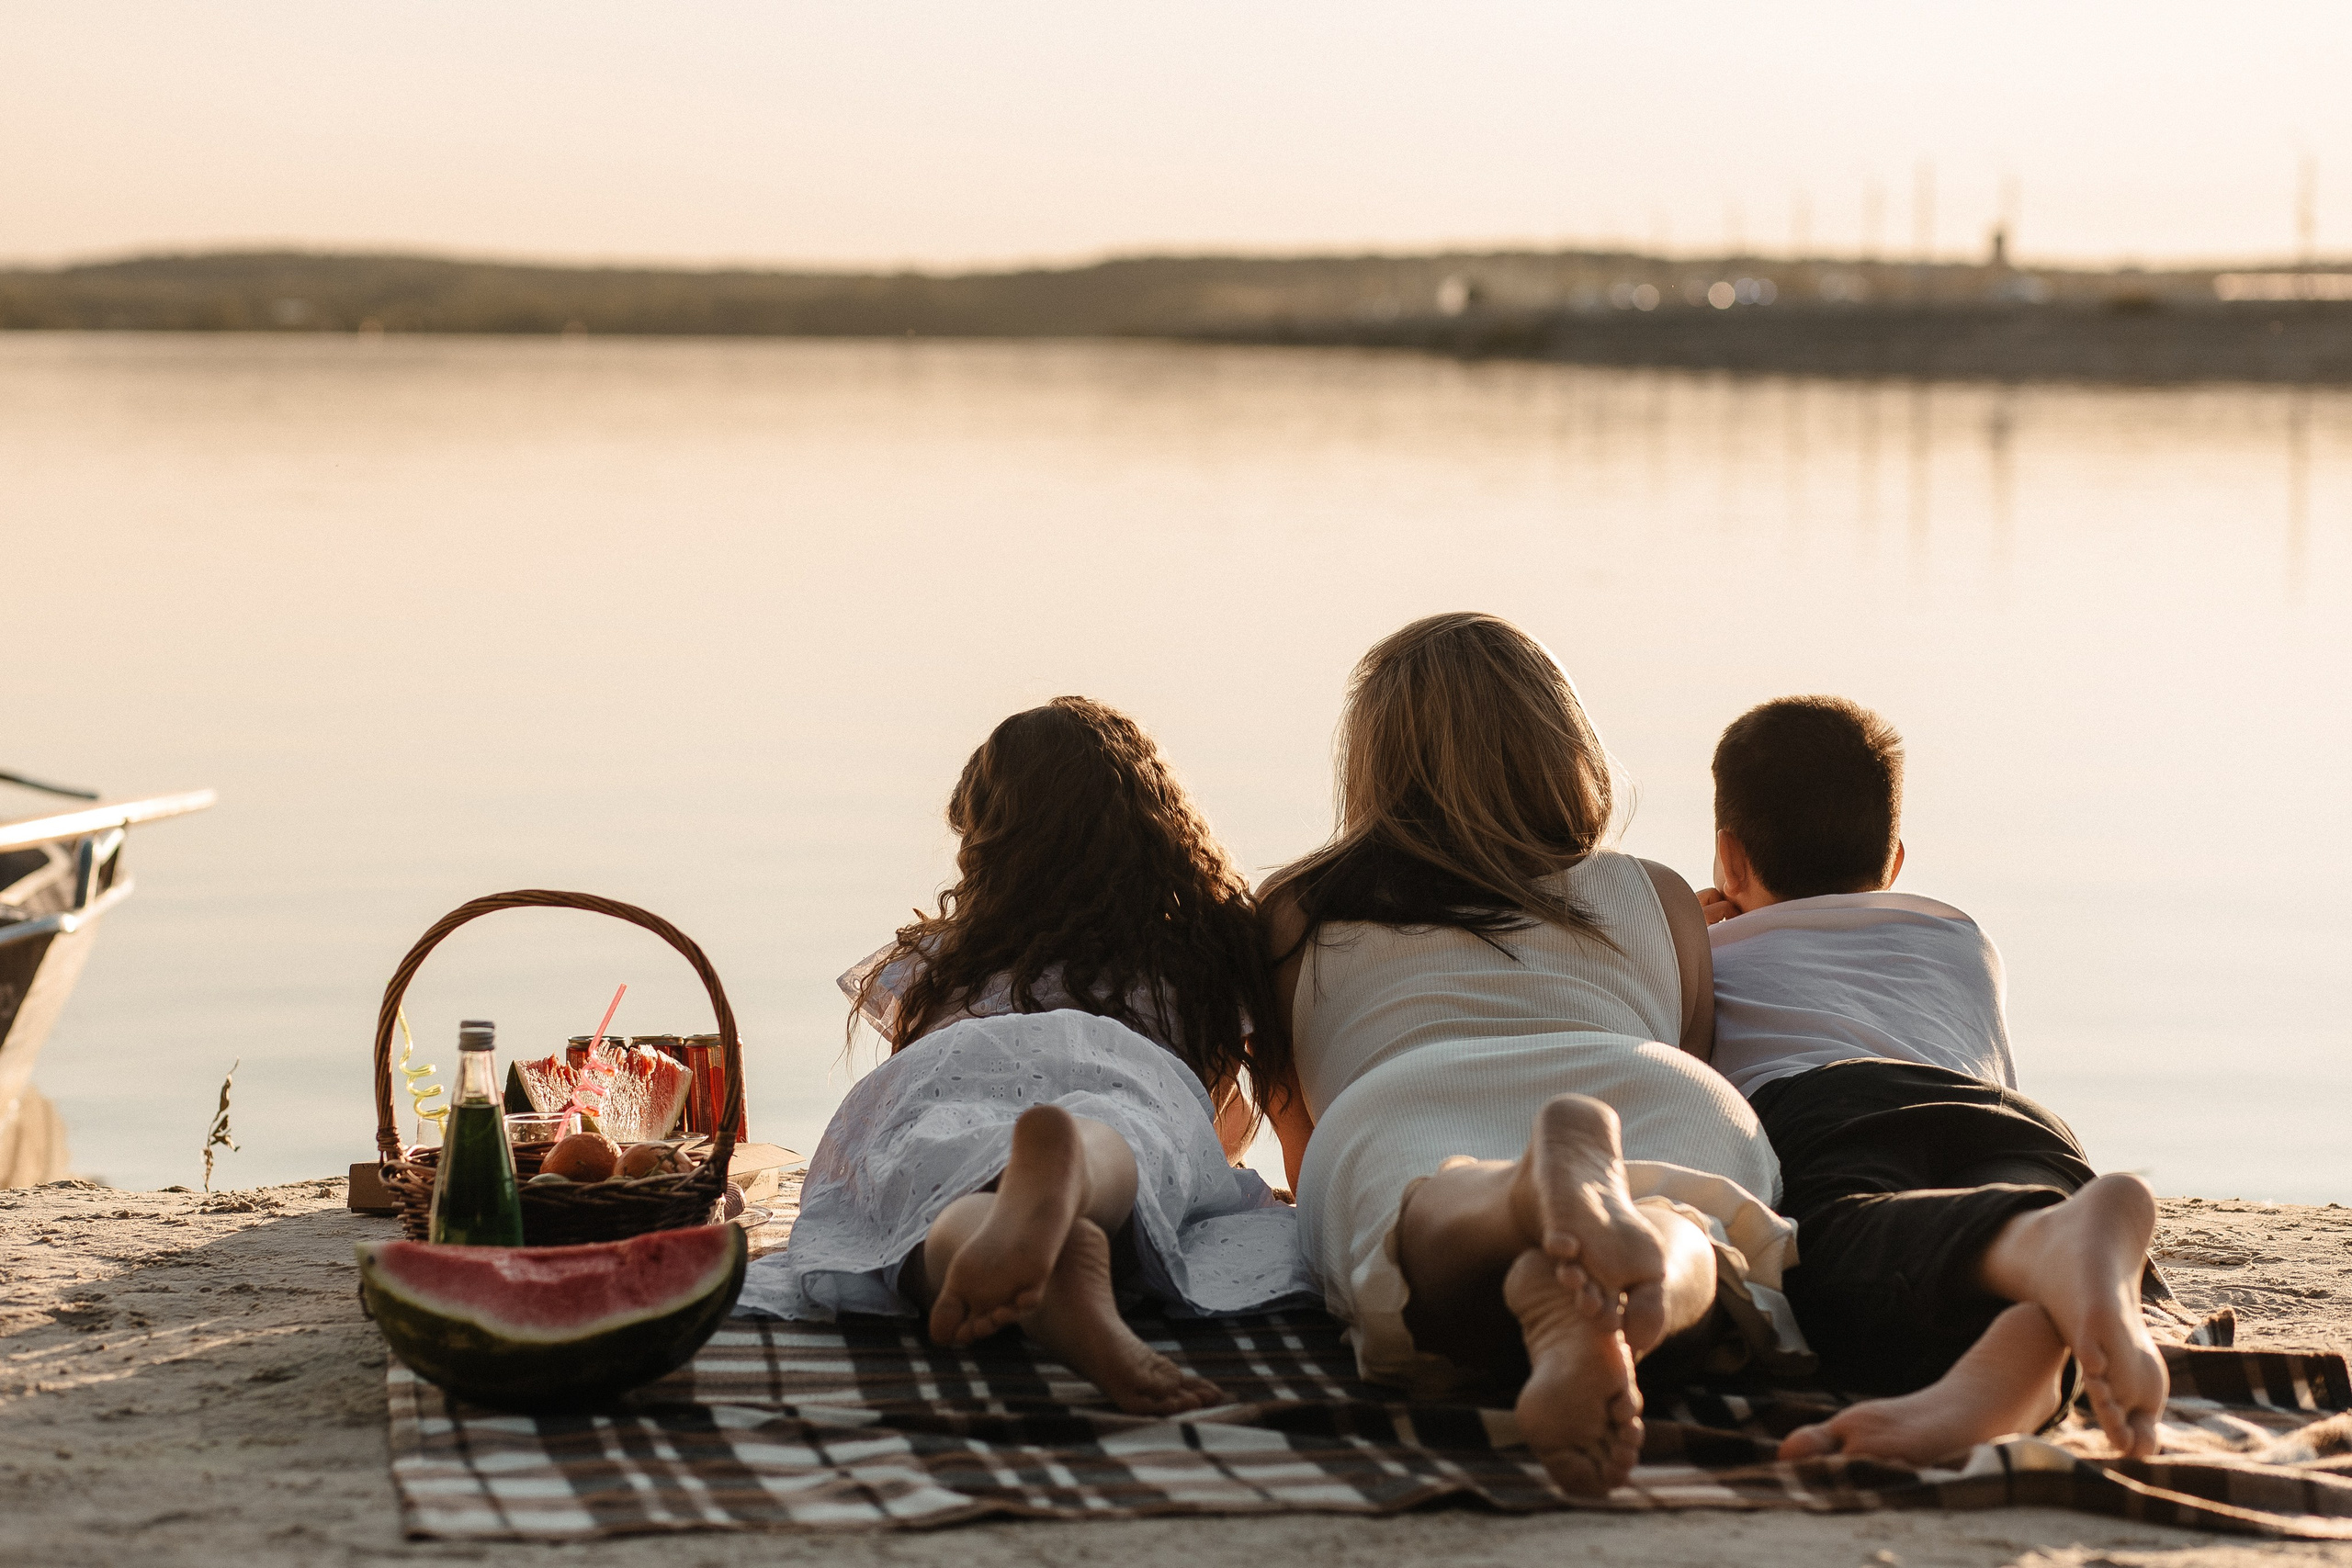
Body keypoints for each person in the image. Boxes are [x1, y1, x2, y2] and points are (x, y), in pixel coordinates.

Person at [1259, 613, 1806, 1499]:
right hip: (1648, 1084)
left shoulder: (1296, 905)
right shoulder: (1658, 892)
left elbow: (1298, 1134)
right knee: (1692, 1226)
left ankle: (1519, 1203)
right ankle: (1635, 1303)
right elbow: (1689, 1044)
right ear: (1565, 746)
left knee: (1419, 1222)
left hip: (1408, 1093)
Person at [739, 696, 1316, 1414]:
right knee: (1127, 1135)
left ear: (988, 845)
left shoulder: (942, 954)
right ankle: (1073, 1171)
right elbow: (1221, 1129)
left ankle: (1015, 1234)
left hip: (951, 1063)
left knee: (928, 1190)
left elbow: (909, 1055)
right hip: (1128, 1067)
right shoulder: (1198, 947)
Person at [1699, 694, 2168, 1462]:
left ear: (1732, 856)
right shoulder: (1960, 938)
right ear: (1892, 865)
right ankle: (2014, 1348)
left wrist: (1679, 934)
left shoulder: (1710, 955)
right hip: (2015, 1125)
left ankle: (2048, 1239)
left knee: (1830, 1254)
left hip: (1826, 1105)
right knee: (2024, 1277)